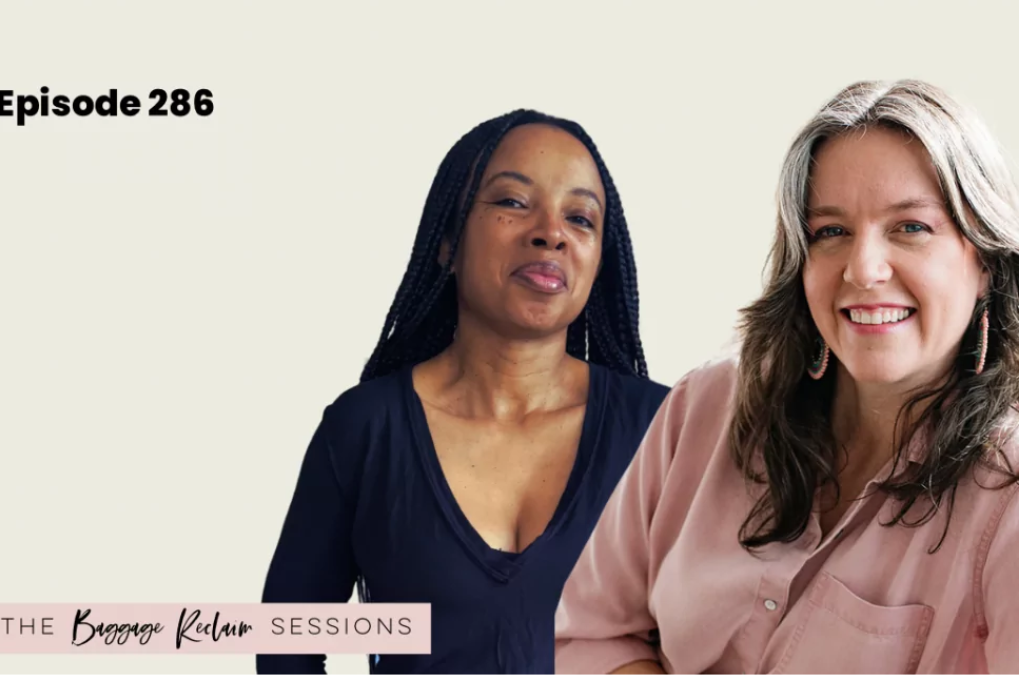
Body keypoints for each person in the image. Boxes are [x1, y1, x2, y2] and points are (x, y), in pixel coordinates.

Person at [553, 80, 1019, 674]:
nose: (864, 268)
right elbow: (588, 634)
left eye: (910, 227)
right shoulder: (707, 406)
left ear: (984, 263)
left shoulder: (1008, 499)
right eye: (831, 232)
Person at [257, 109, 670, 674]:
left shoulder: (666, 431)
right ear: (448, 240)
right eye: (512, 202)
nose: (550, 232)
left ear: (601, 260)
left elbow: (728, 634)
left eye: (580, 218)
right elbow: (286, 645)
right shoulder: (362, 432)